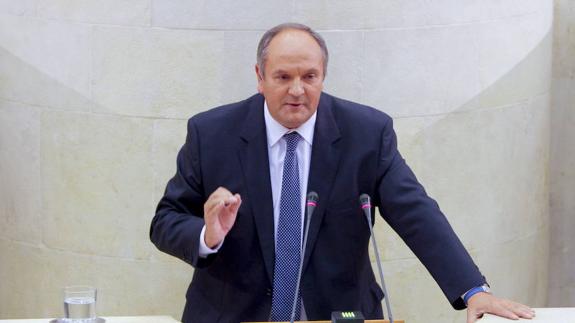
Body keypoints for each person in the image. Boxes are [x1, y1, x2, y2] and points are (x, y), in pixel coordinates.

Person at [150, 22, 535, 323]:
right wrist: (208, 234)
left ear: (323, 75)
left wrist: (473, 290)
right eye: (283, 77)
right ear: (259, 76)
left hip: (338, 314)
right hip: (232, 316)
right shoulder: (212, 133)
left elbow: (417, 213)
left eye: (310, 77)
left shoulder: (366, 133)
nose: (297, 91)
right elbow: (165, 220)